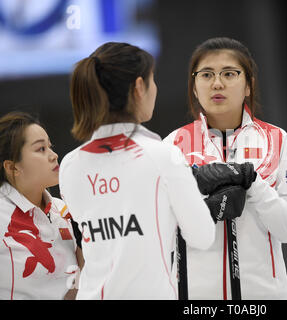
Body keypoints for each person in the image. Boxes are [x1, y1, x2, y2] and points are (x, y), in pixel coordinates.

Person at [59, 42, 215, 299]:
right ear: (139, 87)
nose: (156, 88)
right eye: (154, 80)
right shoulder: (162, 155)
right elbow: (202, 236)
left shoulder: (70, 165)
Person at [164, 37, 287, 299]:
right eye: (206, 74)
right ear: (194, 87)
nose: (217, 83)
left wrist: (252, 184)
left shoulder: (277, 139)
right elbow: (156, 228)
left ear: (248, 86)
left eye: (229, 74)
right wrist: (202, 207)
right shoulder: (173, 144)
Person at [0, 111, 82, 300]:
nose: (54, 155)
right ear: (12, 167)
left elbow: (84, 281)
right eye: (41, 149)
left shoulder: (64, 210)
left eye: (50, 147)